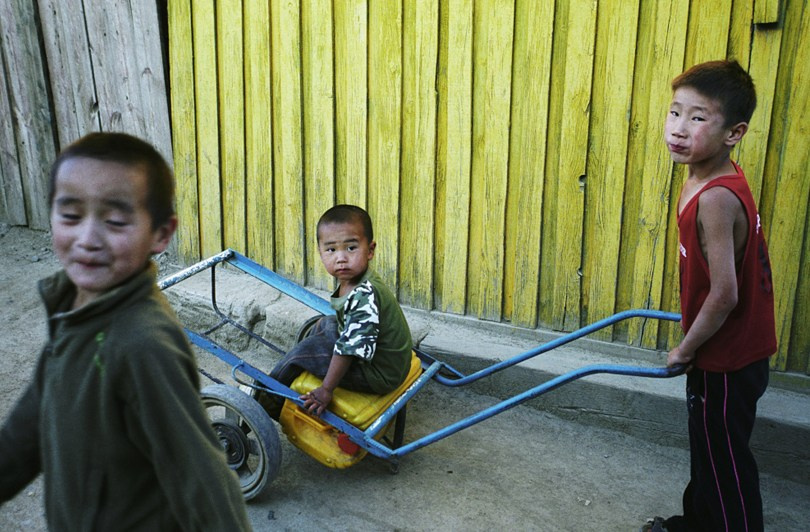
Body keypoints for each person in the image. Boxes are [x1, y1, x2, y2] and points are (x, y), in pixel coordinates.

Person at [0, 132, 251, 530]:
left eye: (115, 221)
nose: (88, 239)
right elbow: (33, 419)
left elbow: (201, 478)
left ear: (161, 234)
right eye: (70, 215)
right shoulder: (75, 309)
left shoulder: (142, 344)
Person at [642, 61, 776, 532]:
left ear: (733, 133)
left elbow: (724, 295)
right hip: (722, 348)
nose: (679, 129)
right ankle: (697, 523)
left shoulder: (716, 198)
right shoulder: (703, 173)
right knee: (708, 447)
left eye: (698, 119)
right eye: (675, 112)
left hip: (727, 358)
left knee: (725, 462)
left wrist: (685, 348)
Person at [255, 204, 413, 419]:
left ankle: (266, 403)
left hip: (378, 374)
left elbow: (347, 350)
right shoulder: (354, 280)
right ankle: (301, 364)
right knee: (326, 323)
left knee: (299, 356)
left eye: (351, 248)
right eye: (331, 250)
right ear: (321, 253)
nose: (341, 258)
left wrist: (326, 390)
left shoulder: (363, 294)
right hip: (384, 360)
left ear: (370, 250)